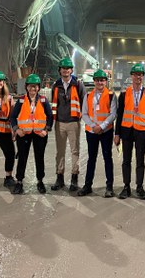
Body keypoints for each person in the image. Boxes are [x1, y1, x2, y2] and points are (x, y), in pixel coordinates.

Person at [114, 63, 145, 200]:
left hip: (142, 132)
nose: (138, 77)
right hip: (126, 131)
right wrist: (117, 134)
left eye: (141, 74)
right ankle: (126, 187)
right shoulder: (124, 94)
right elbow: (119, 115)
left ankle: (139, 187)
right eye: (136, 74)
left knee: (140, 161)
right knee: (126, 160)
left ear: (143, 77)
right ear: (131, 76)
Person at [10, 74, 53, 194]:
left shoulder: (43, 100)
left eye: (35, 87)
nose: (32, 89)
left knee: (39, 157)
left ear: (38, 88)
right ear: (26, 87)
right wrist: (17, 129)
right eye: (30, 87)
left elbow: (50, 116)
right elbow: (13, 116)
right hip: (24, 134)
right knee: (22, 158)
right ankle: (19, 182)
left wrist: (46, 129)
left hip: (40, 134)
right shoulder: (21, 100)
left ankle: (40, 181)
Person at [77, 69, 117, 198]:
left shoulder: (111, 95)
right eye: (97, 80)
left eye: (102, 80)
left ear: (106, 81)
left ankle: (109, 187)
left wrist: (102, 126)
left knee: (107, 158)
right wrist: (94, 126)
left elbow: (113, 114)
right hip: (92, 131)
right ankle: (87, 185)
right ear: (94, 81)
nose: (100, 82)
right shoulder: (88, 96)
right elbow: (84, 113)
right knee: (91, 159)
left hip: (106, 131)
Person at [50, 57, 86, 192]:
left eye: (68, 68)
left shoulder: (78, 84)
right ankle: (59, 178)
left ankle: (74, 179)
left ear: (71, 70)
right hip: (59, 123)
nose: (66, 70)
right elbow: (52, 104)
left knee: (74, 151)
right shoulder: (56, 85)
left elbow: (84, 103)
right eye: (63, 68)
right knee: (60, 152)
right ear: (60, 70)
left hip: (73, 123)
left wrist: (81, 118)